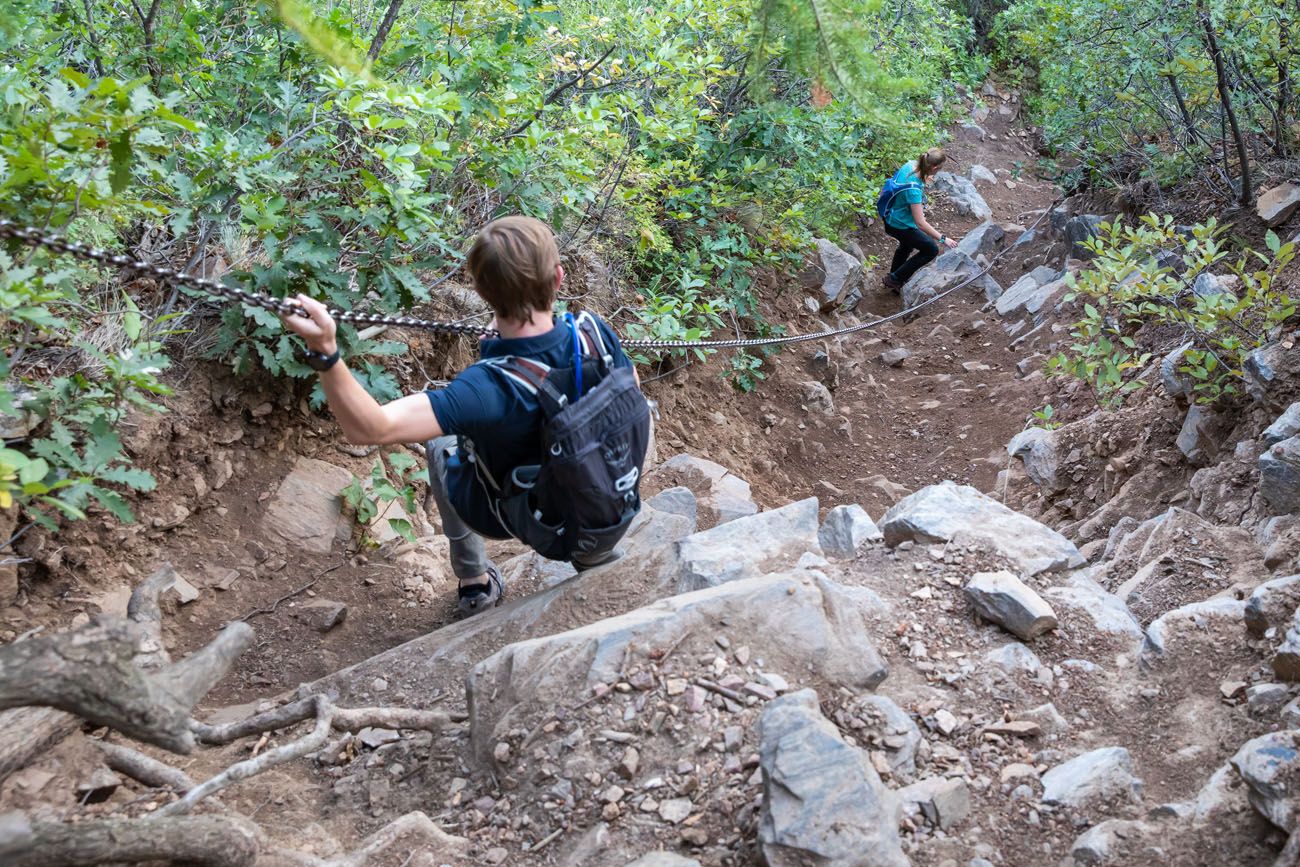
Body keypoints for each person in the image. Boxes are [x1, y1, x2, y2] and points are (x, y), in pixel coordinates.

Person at [281, 216, 639, 618]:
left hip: (515, 517)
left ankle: (474, 580)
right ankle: (593, 553)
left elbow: (370, 428)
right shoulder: (594, 333)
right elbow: (629, 386)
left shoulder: (483, 388)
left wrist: (325, 350)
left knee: (440, 441)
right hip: (599, 499)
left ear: (482, 293)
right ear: (557, 278)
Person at [881, 148, 958, 292]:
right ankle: (894, 279)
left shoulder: (910, 165)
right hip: (898, 225)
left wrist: (925, 177)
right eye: (939, 169)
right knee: (931, 249)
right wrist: (943, 239)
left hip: (890, 214)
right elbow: (920, 223)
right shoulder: (913, 190)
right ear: (934, 167)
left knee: (906, 246)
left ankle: (895, 276)